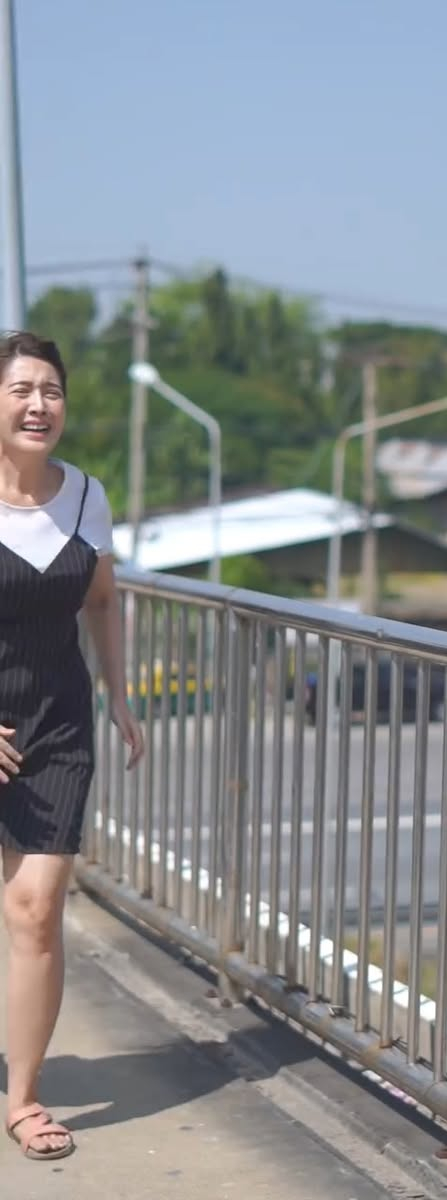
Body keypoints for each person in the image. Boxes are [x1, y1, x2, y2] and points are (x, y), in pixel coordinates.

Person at [0, 331, 144, 1161]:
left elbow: (101, 600)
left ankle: (23, 1099)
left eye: (50, 390)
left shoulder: (86, 495)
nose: (38, 405)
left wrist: (120, 694)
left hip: (55, 725)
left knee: (35, 910)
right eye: (21, 389)